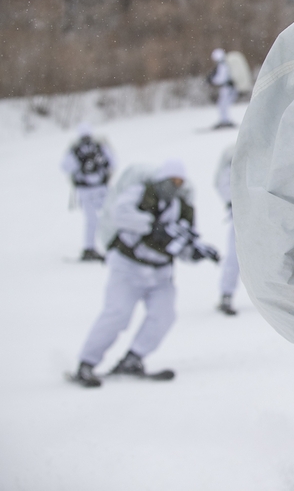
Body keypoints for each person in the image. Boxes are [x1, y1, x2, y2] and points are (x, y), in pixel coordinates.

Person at [69, 159, 219, 388]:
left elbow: (180, 245)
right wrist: (153, 226)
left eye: (179, 182)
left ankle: (133, 358)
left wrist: (197, 252)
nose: (175, 186)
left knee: (164, 315)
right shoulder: (141, 192)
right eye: (172, 181)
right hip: (128, 268)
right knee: (117, 315)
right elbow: (121, 214)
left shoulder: (180, 205)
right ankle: (87, 363)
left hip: (160, 274)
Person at [60, 123, 115, 261]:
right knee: (109, 216)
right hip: (102, 188)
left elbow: (65, 167)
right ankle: (114, 246)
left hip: (85, 190)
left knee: (92, 220)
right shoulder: (100, 146)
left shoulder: (75, 149)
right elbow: (113, 163)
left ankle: (89, 249)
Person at [214, 143, 240, 315]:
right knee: (234, 256)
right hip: (240, 216)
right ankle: (226, 294)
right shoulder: (232, 155)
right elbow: (223, 185)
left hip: (260, 215)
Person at [208, 48, 237, 129]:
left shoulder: (222, 66)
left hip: (226, 88)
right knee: (222, 105)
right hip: (226, 88)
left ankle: (225, 121)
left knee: (223, 105)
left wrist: (212, 80)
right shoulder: (224, 65)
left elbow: (221, 79)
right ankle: (224, 120)